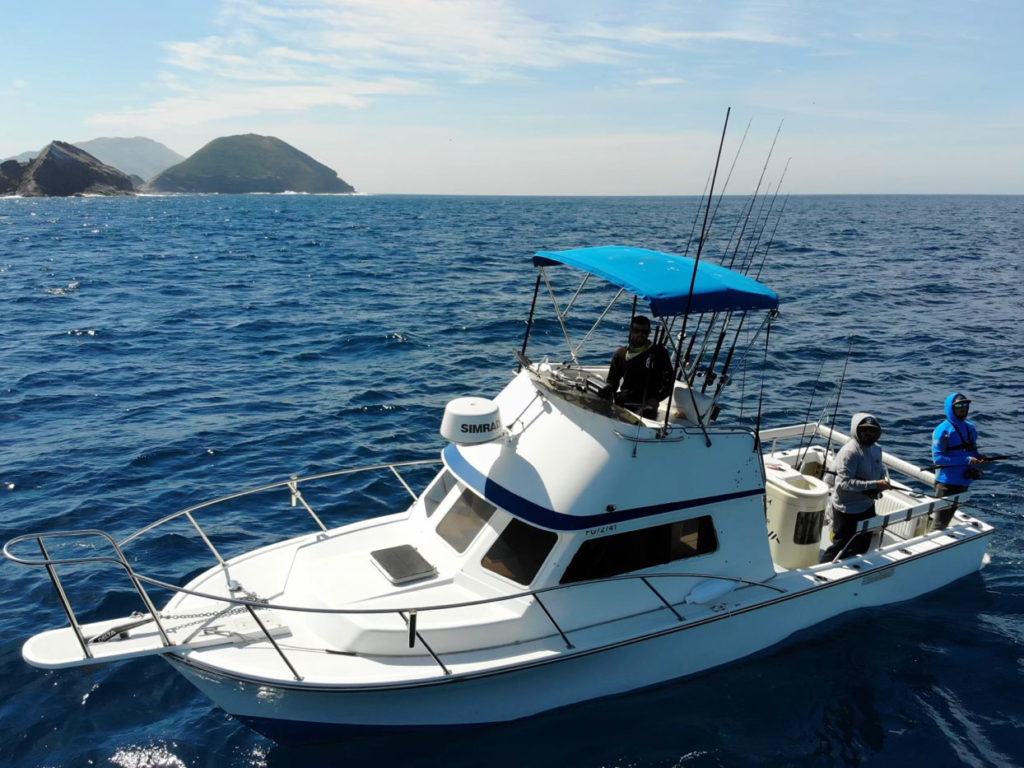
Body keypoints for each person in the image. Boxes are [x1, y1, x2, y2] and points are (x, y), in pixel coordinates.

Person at [820, 413, 891, 562]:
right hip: (847, 509)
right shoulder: (849, 452)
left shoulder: (876, 449)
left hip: (867, 506)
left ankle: (853, 567)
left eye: (872, 430)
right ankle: (822, 571)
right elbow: (845, 483)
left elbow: (879, 471)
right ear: (856, 431)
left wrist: (880, 485)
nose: (868, 433)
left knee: (864, 542)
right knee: (840, 546)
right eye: (864, 430)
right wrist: (875, 485)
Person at [598, 315, 674, 418]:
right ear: (631, 331)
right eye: (636, 331)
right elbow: (613, 380)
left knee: (646, 415)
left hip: (647, 403)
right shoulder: (621, 354)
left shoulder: (660, 353)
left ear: (649, 332)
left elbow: (669, 382)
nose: (640, 334)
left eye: (644, 332)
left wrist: (655, 400)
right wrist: (609, 389)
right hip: (624, 400)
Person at [931, 392, 986, 529]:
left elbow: (972, 450)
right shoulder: (942, 430)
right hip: (947, 483)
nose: (963, 408)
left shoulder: (970, 427)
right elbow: (938, 458)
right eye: (959, 405)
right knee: (939, 523)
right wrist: (966, 459)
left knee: (949, 519)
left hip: (964, 481)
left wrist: (979, 457)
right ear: (951, 408)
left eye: (965, 404)